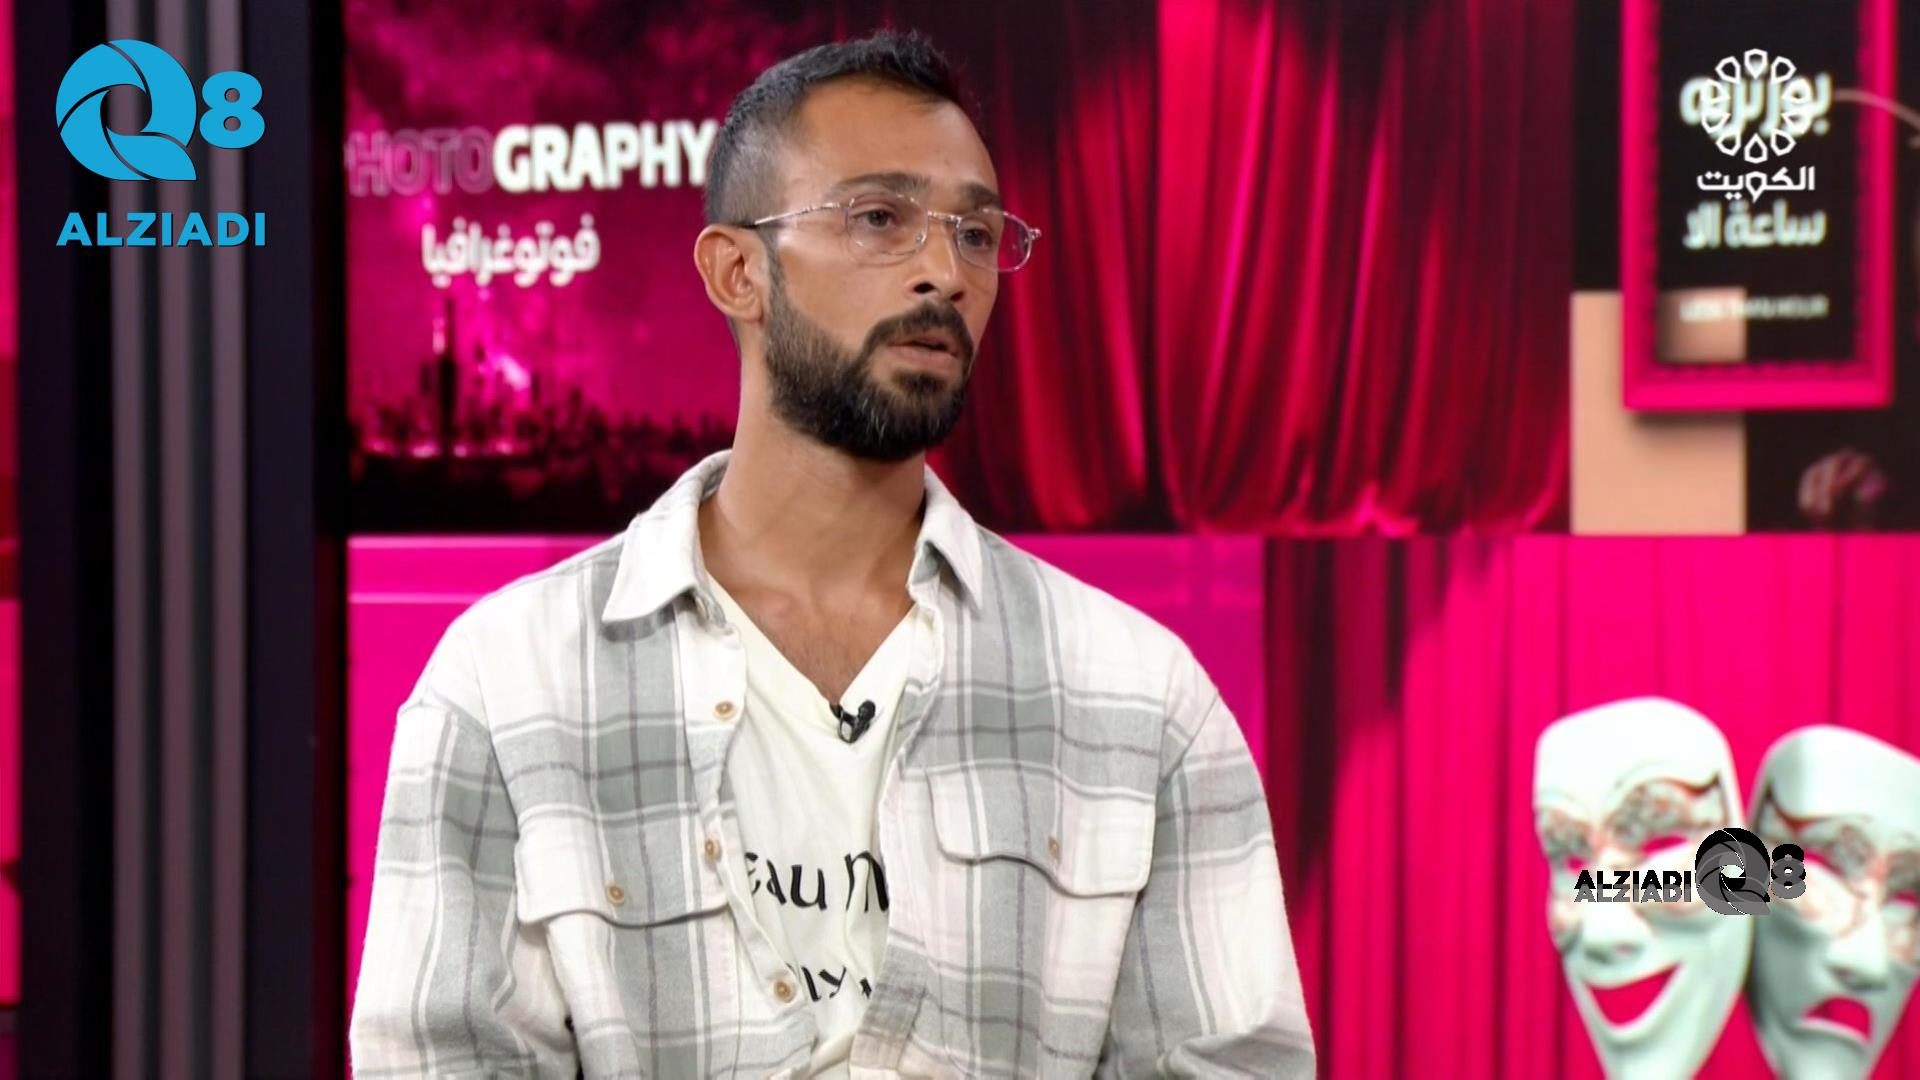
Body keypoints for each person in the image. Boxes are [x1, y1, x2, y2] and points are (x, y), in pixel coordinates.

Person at [349, 30, 1314, 1079]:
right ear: (738, 273)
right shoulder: (507, 683)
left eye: (977, 234)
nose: (944, 272)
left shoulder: (1141, 698)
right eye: (879, 218)